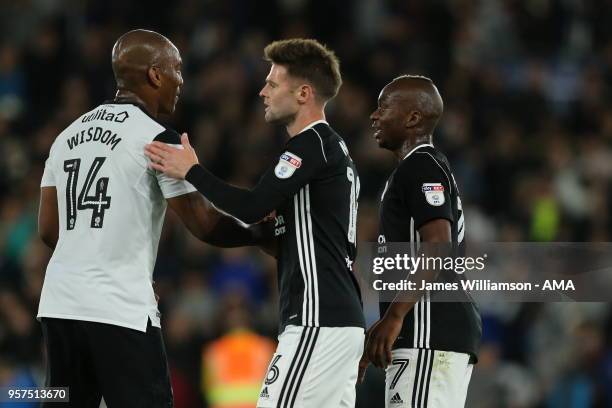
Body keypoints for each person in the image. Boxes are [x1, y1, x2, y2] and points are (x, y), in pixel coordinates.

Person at [37, 29, 260, 408]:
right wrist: (261, 235)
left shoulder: (66, 136)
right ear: (155, 75)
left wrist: (94, 253)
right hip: (119, 308)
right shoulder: (157, 137)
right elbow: (203, 224)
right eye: (177, 69)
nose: (181, 80)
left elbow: (48, 230)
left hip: (59, 306)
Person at [145, 38, 366, 407]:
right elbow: (276, 231)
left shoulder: (310, 146)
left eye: (273, 84)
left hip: (317, 318)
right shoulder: (331, 150)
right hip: (335, 318)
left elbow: (251, 206)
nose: (262, 91)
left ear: (303, 94)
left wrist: (192, 171)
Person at [363, 75, 482, 407]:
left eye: (384, 107)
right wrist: (387, 323)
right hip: (426, 333)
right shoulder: (416, 169)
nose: (374, 115)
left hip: (431, 332)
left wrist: (396, 315)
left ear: (413, 118)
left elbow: (438, 245)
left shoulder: (421, 166)